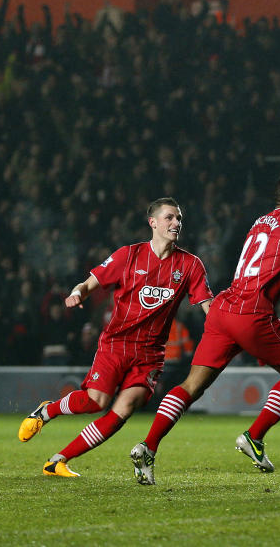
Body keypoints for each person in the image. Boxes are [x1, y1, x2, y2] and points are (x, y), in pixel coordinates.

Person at [130, 174, 280, 485]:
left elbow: (268, 279)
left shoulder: (261, 222)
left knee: (191, 386)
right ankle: (254, 437)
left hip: (224, 308)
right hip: (251, 313)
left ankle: (147, 447)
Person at [18, 198, 213, 477]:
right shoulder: (128, 255)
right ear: (153, 222)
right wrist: (77, 294)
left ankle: (57, 461)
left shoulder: (191, 265)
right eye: (170, 218)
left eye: (179, 219)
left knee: (125, 409)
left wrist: (226, 325)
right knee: (95, 402)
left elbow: (208, 307)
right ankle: (46, 412)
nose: (176, 223)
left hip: (151, 354)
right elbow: (88, 284)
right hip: (116, 344)